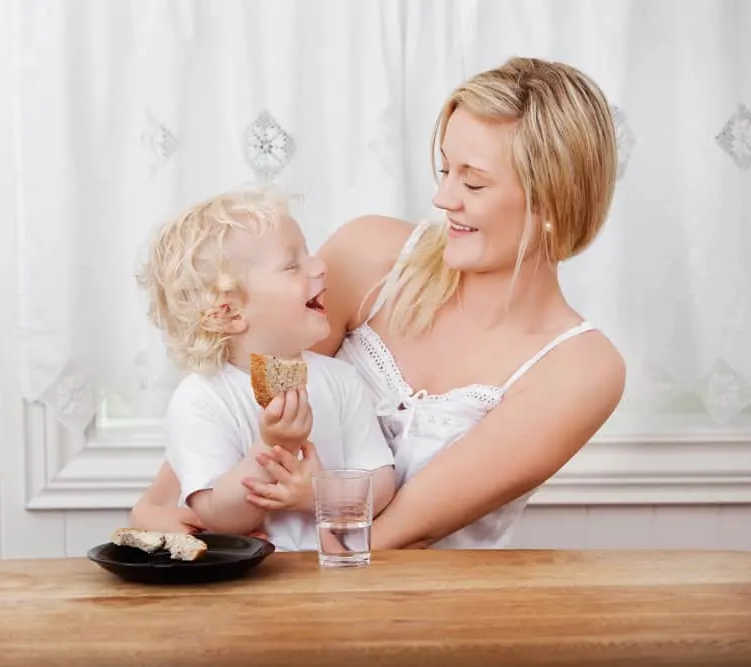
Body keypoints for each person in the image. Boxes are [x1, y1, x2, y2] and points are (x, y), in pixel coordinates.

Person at [131, 56, 626, 550]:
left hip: (417, 607)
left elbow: (398, 533)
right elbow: (247, 376)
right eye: (444, 169)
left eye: (472, 182)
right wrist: (166, 504)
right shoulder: (368, 256)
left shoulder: (580, 370)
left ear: (553, 202)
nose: (442, 197)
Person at [132, 187, 396, 552]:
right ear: (230, 312)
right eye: (293, 264)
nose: (320, 265)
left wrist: (320, 493)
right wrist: (271, 447)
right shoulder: (201, 399)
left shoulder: (341, 380)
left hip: (329, 579)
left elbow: (381, 480)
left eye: (309, 252)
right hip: (245, 591)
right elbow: (218, 519)